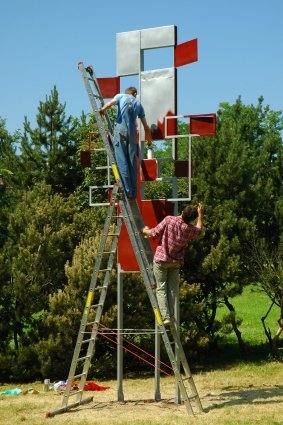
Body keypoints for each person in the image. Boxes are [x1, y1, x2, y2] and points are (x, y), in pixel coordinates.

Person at [142, 203, 204, 325]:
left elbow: (154, 233)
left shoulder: (169, 219)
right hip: (175, 262)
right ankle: (171, 314)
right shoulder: (189, 229)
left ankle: (166, 317)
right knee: (172, 289)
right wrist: (200, 214)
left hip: (161, 260)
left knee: (161, 288)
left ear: (182, 212)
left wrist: (145, 230)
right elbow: (199, 229)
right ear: (192, 219)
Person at [99, 87, 152, 198]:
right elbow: (146, 127)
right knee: (132, 162)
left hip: (121, 131)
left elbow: (109, 104)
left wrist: (102, 110)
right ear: (135, 94)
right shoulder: (138, 104)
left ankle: (127, 191)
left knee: (122, 161)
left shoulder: (120, 96)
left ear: (127, 92)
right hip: (132, 134)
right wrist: (149, 141)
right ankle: (133, 192)